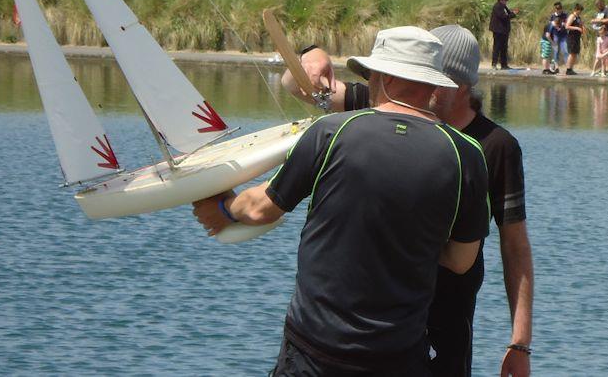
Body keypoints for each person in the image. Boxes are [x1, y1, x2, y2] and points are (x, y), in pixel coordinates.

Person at [195, 26, 491, 376]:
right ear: (432, 84)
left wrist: (223, 206)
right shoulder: (467, 155)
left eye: (371, 75)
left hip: (314, 351)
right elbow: (460, 260)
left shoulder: (333, 132)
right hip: (398, 357)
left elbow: (261, 208)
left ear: (387, 78)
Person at [282, 25, 534, 377]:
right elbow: (297, 86)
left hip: (445, 330)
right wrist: (312, 55)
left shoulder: (495, 146)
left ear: (459, 86)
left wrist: (519, 342)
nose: (421, 87)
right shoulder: (383, 107)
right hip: (370, 336)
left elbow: (515, 248)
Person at [489, 0, 519, 70]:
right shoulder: (497, 6)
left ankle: (504, 64)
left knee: (504, 48)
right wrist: (513, 14)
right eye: (505, 0)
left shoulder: (504, 6)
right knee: (497, 47)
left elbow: (508, 14)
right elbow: (503, 17)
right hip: (498, 30)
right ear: (501, 0)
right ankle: (494, 64)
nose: (506, 2)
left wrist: (513, 13)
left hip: (504, 31)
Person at [564, 3, 586, 75]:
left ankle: (571, 68)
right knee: (572, 53)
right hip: (572, 37)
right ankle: (568, 69)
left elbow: (580, 24)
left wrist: (582, 28)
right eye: (579, 10)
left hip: (577, 37)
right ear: (576, 10)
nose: (580, 12)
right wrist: (576, 28)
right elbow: (567, 26)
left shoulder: (578, 17)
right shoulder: (572, 16)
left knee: (575, 53)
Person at [549, 2, 569, 69]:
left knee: (565, 50)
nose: (559, 10)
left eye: (560, 8)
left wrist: (564, 24)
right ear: (555, 9)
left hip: (564, 35)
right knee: (556, 50)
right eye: (557, 8)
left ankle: (568, 66)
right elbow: (550, 24)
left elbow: (567, 22)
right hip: (556, 35)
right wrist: (554, 24)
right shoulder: (553, 16)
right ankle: (555, 66)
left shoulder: (565, 15)